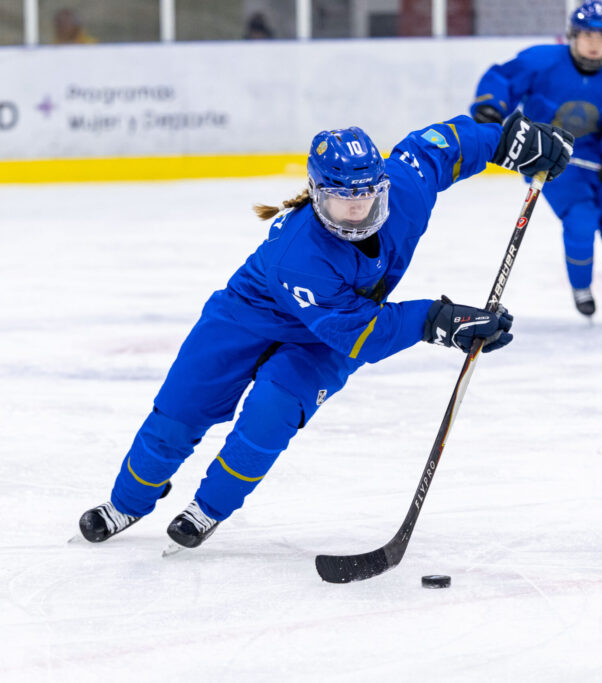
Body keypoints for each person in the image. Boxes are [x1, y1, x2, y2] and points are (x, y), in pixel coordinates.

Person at [79, 113, 573, 550]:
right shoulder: (303, 255)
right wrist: (436, 320)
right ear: (316, 194)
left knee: (270, 415)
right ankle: (128, 501)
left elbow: (442, 145)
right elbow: (363, 334)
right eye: (341, 200)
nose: (356, 210)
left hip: (322, 337)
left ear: (382, 184)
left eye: (365, 196)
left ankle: (208, 509)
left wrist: (510, 139)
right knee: (180, 413)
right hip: (251, 315)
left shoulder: (405, 188)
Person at [471, 0, 602, 318]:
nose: (594, 43)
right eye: (587, 35)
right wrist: (491, 107)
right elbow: (502, 79)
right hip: (550, 159)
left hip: (597, 161)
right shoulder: (541, 61)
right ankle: (581, 287)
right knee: (580, 219)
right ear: (572, 36)